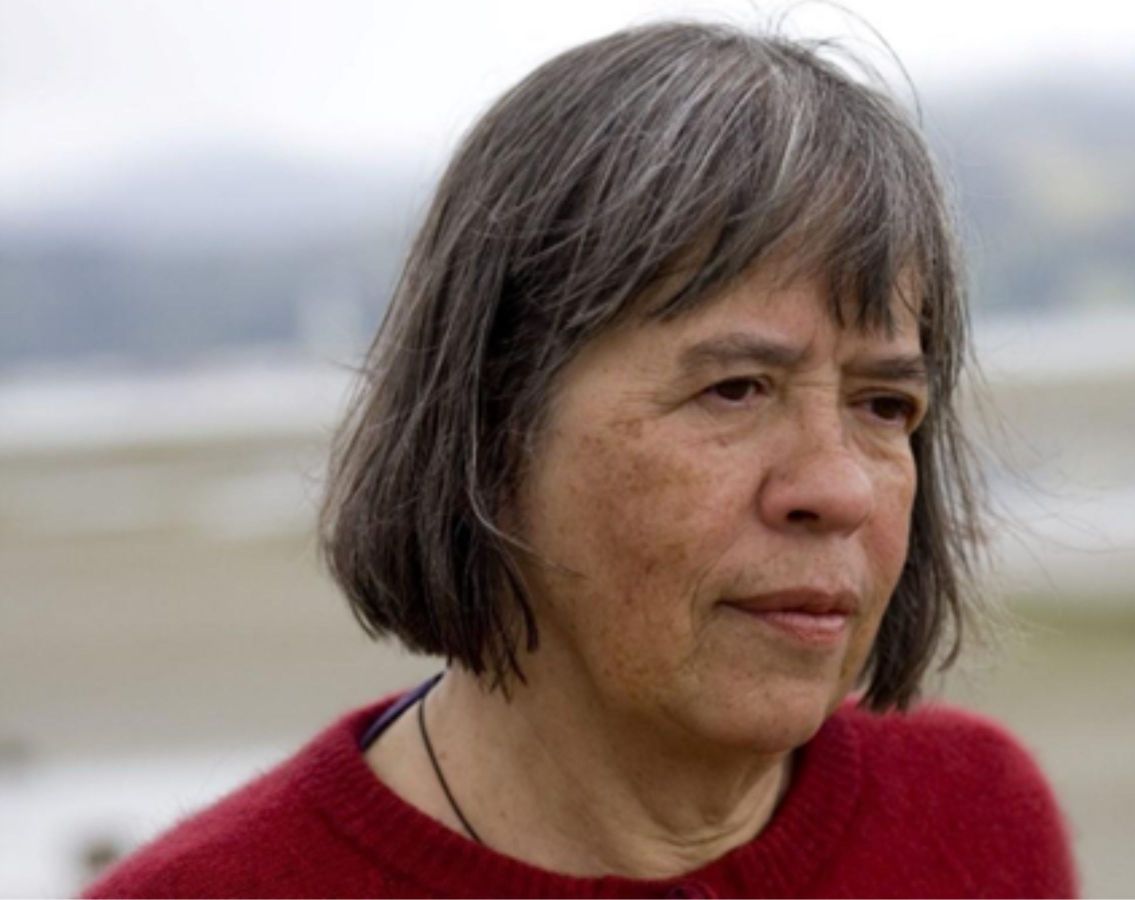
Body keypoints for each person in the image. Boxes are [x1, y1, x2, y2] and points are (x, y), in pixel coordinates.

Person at [86, 20, 1077, 899]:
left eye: (882, 405)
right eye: (734, 389)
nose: (839, 487)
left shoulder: (975, 816)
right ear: (490, 420)